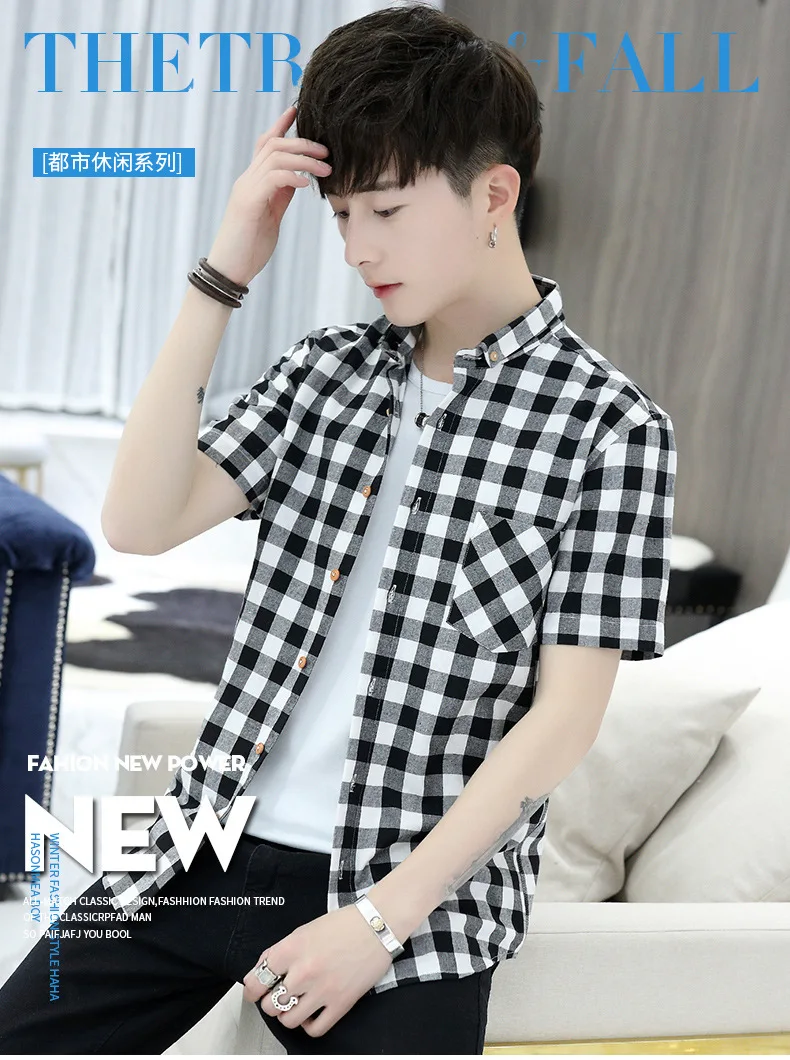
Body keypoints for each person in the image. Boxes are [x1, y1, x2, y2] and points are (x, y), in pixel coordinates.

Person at [0, 3, 676, 1055]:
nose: (359, 249)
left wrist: (377, 924)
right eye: (342, 214)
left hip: (406, 902)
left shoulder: (611, 428)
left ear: (494, 195)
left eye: (388, 210)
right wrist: (226, 270)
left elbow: (563, 721)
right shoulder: (326, 373)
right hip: (200, 851)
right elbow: (137, 521)